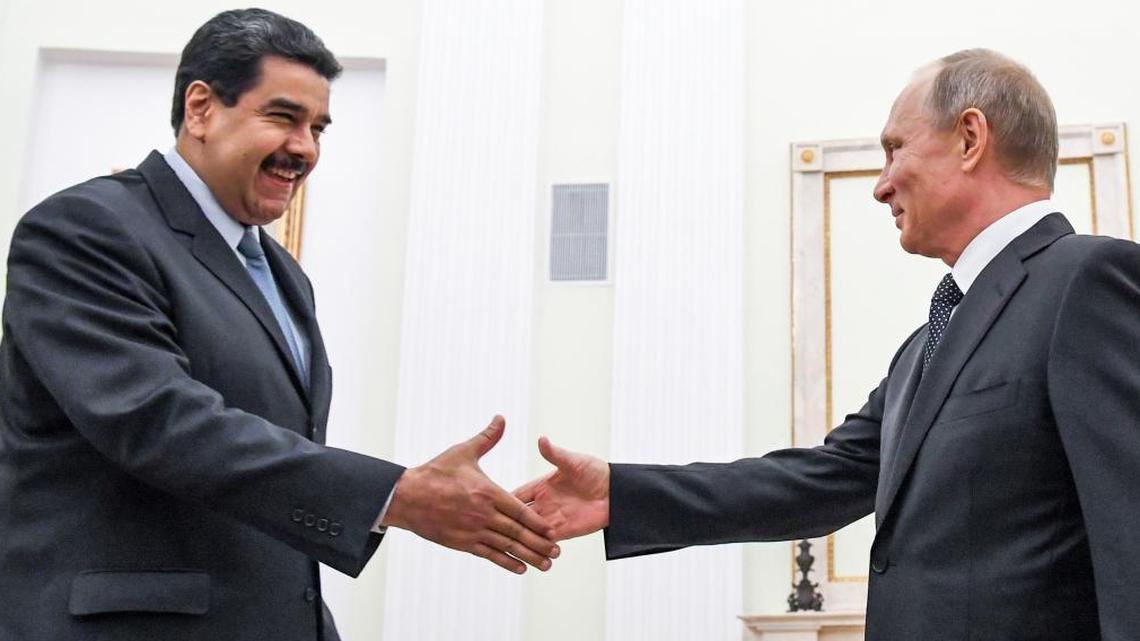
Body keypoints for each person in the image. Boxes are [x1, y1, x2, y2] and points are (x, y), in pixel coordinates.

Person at [516, 49, 1140, 640]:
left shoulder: (1087, 281)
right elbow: (821, 480)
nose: (881, 185)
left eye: (895, 150)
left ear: (971, 138)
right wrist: (621, 494)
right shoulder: (926, 346)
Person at [0, 8, 557, 641]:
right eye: (283, 118)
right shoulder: (84, 228)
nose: (306, 149)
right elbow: (157, 421)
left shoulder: (284, 277)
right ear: (202, 108)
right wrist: (393, 495)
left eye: (319, 128)